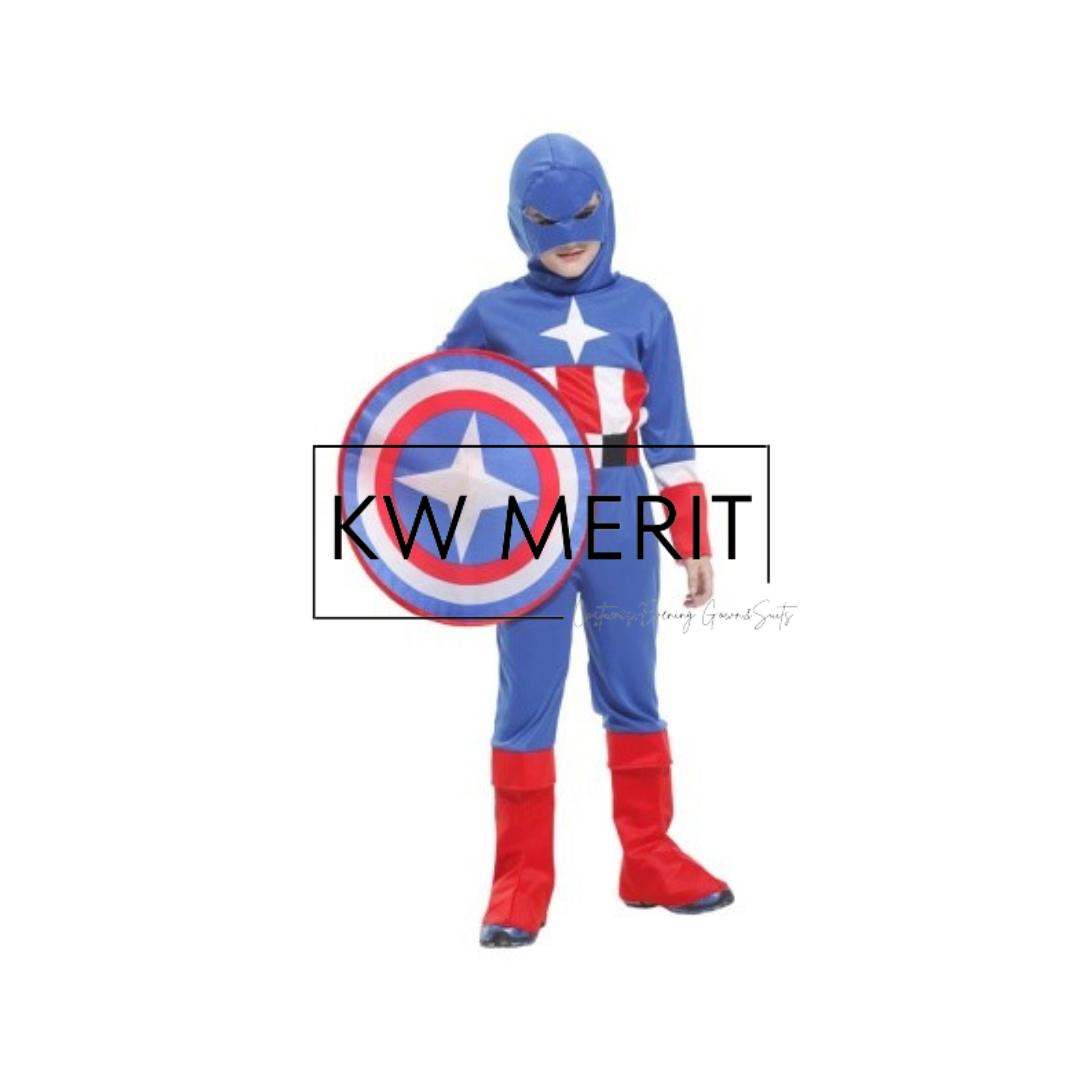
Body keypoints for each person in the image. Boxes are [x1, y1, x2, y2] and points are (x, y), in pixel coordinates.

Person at [439, 133, 733, 948]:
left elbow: (670, 434)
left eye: (584, 216)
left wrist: (692, 534)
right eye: (546, 222)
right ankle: (519, 882)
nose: (569, 238)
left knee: (633, 686)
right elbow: (433, 415)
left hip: (619, 507)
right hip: (526, 518)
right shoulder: (491, 313)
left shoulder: (645, 309)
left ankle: (650, 857)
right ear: (518, 221)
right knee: (527, 695)